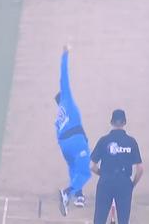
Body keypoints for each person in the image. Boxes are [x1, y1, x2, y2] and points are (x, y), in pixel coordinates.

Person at [55, 45, 92, 216]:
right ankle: (67, 193)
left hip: (64, 145)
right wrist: (65, 54)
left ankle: (78, 196)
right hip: (76, 140)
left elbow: (59, 137)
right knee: (84, 171)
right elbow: (64, 77)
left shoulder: (58, 117)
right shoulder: (67, 99)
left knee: (74, 167)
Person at [91, 109, 144, 224]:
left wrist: (103, 174)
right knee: (124, 220)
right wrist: (132, 184)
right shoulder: (131, 142)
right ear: (124, 122)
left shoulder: (104, 140)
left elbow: (92, 166)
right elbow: (140, 169)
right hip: (124, 183)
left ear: (111, 122)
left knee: (99, 219)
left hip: (106, 182)